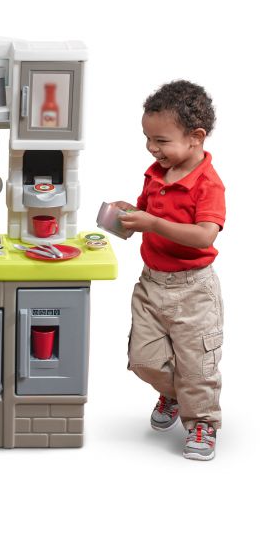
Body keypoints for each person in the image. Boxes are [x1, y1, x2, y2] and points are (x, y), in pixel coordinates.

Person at [113, 80, 225, 460]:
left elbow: (204, 235)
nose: (151, 147)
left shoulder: (207, 184)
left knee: (197, 366)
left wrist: (154, 224)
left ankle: (203, 423)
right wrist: (129, 215)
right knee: (142, 359)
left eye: (161, 140)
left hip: (194, 291)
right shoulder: (155, 174)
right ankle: (173, 393)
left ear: (196, 137)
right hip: (151, 283)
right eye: (147, 138)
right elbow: (147, 216)